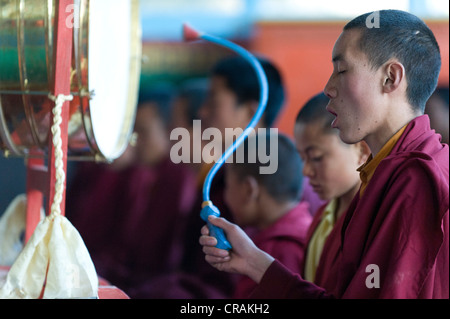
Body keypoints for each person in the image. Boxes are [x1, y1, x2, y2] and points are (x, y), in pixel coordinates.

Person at [200, 10, 449, 298]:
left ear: (390, 77)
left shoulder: (416, 178)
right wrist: (256, 263)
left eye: (342, 70)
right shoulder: (379, 174)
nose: (329, 88)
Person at [294, 92, 370, 286]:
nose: (306, 171)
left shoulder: (373, 221)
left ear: (361, 151)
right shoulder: (321, 218)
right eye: (302, 158)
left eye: (317, 157)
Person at [225, 132, 312, 298]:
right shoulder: (308, 227)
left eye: (228, 186)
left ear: (249, 189)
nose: (226, 196)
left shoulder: (277, 250)